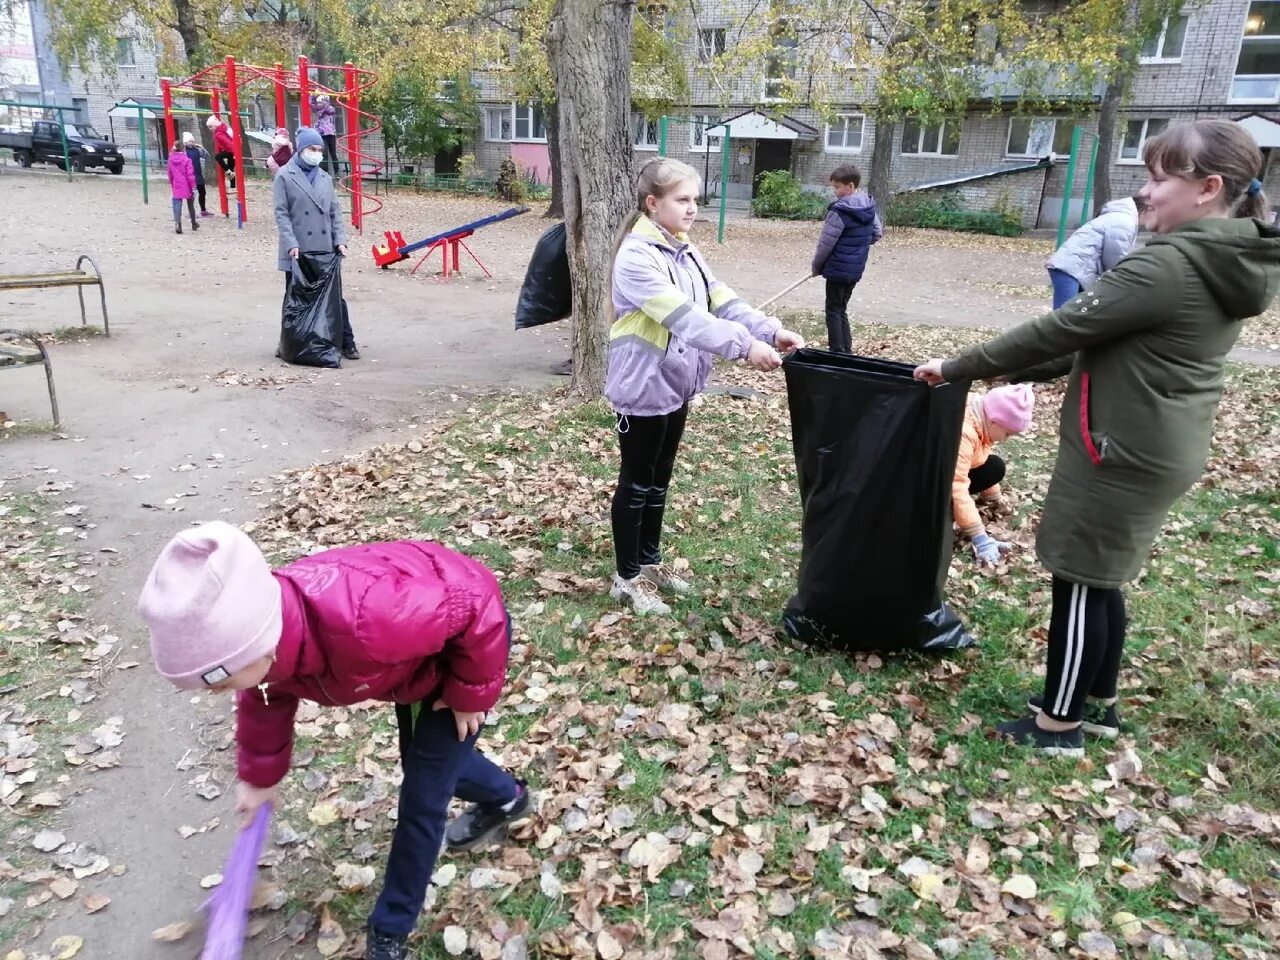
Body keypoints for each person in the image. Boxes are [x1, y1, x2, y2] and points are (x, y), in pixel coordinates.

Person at [914, 119, 1280, 756]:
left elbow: (1060, 330)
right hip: (1154, 442)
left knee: (1078, 578)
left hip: (1121, 447)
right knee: (1102, 578)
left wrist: (956, 367)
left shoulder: (1172, 264)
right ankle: (1100, 705)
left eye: (1161, 177)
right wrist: (1012, 374)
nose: (1146, 191)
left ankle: (1059, 724)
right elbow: (1089, 344)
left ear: (1208, 188)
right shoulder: (1221, 259)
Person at [138, 522, 531, 960]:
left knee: (423, 796)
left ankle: (390, 930)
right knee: (425, 763)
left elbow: (476, 602)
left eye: (215, 679)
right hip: (414, 664)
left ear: (258, 644)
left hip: (460, 653)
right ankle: (508, 797)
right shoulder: (270, 651)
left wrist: (469, 693)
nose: (213, 692)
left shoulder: (370, 617)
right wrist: (259, 777)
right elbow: (265, 697)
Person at [607, 157, 805, 616]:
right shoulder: (637, 257)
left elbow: (721, 298)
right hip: (643, 386)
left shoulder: (684, 249)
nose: (692, 208)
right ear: (652, 204)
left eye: (695, 199)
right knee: (637, 484)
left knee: (658, 481)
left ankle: (649, 563)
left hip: (675, 382)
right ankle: (626, 577)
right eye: (683, 200)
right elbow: (686, 317)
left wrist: (770, 331)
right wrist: (744, 347)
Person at [273, 126, 359, 361]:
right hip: (298, 249)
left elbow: (334, 213)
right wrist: (291, 243)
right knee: (295, 298)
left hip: (324, 247)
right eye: (313, 148)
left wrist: (340, 240)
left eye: (320, 149)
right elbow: (282, 214)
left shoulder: (325, 177)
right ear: (301, 149)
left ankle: (346, 342)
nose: (317, 153)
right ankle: (289, 343)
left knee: (335, 298)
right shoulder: (284, 175)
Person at [952, 384, 1034, 566]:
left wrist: (994, 497)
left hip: (949, 473)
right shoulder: (964, 434)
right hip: (924, 481)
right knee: (957, 493)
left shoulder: (981, 417)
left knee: (994, 466)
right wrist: (980, 538)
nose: (1006, 439)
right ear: (994, 421)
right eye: (1007, 433)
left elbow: (981, 455)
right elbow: (956, 486)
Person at [810, 164, 883, 353]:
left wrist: (817, 267)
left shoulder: (839, 211)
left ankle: (837, 352)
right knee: (841, 308)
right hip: (855, 269)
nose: (835, 192)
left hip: (837, 270)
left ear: (850, 186)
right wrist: (858, 246)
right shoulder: (868, 206)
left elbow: (825, 244)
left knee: (833, 310)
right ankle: (845, 350)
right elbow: (876, 233)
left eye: (837, 187)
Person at [1046, 196, 1139, 309]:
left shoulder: (1117, 217)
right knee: (1064, 316)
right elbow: (1115, 257)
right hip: (1071, 268)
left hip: (1072, 266)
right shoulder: (1124, 221)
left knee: (1073, 314)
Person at [166, 140, 198, 235]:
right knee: (190, 204)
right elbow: (190, 174)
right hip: (187, 185)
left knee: (177, 204)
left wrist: (172, 183)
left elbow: (170, 173)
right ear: (183, 149)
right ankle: (193, 223)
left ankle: (177, 223)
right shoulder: (187, 160)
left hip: (177, 184)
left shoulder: (170, 159)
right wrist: (193, 186)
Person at [181, 131, 212, 217]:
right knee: (192, 194)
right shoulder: (184, 152)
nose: (192, 143)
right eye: (190, 141)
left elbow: (207, 156)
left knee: (202, 192)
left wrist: (202, 147)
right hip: (190, 176)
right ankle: (191, 211)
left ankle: (203, 210)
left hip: (199, 174)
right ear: (185, 142)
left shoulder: (198, 150)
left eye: (192, 141)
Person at [311, 93, 340, 175]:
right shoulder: (318, 110)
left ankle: (336, 171)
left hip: (330, 134)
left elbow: (328, 108)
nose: (318, 104)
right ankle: (324, 171)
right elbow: (311, 103)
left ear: (324, 102)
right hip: (322, 134)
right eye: (318, 103)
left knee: (333, 153)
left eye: (320, 103)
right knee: (324, 152)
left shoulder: (330, 109)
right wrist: (314, 95)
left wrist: (324, 97)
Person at [206, 114, 236, 188]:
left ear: (215, 125)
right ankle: (233, 186)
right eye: (209, 127)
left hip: (231, 151)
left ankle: (228, 171)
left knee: (218, 156)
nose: (210, 129)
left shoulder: (218, 134)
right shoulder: (222, 130)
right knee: (231, 168)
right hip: (231, 150)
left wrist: (235, 153)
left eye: (211, 126)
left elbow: (228, 143)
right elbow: (220, 145)